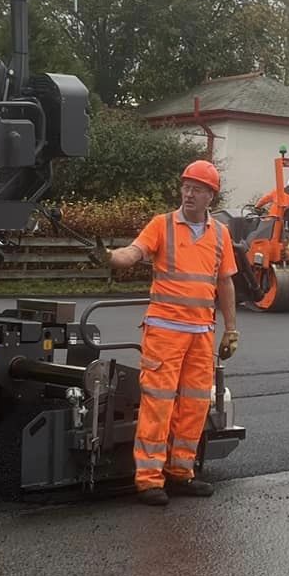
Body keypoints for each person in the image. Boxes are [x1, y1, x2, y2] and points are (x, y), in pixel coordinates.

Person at [102, 160, 239, 504]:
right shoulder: (161, 226)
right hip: (164, 332)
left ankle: (180, 473)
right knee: (158, 406)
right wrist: (111, 257)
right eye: (186, 187)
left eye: (197, 188)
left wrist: (231, 329)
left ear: (211, 195)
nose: (189, 193)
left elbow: (225, 283)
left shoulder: (220, 234)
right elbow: (132, 253)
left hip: (201, 333)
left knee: (194, 406)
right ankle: (149, 480)